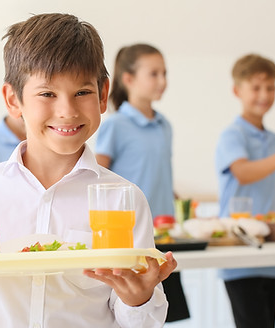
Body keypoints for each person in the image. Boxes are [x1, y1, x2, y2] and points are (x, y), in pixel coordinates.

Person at [0, 13, 176, 328]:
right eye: (47, 94)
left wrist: (139, 299)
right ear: (13, 100)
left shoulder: (125, 200)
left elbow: (142, 321)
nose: (67, 111)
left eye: (82, 92)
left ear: (103, 94)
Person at [95, 44, 190, 323]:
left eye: (164, 73)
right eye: (154, 74)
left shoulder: (165, 125)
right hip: (133, 235)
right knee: (136, 313)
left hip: (165, 233)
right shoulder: (115, 125)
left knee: (166, 314)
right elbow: (99, 177)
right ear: (128, 79)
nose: (162, 81)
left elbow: (157, 172)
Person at [215, 53, 275, 328]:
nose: (264, 94)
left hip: (272, 254)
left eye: (270, 87)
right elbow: (242, 172)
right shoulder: (233, 135)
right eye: (256, 87)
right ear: (237, 91)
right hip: (240, 253)